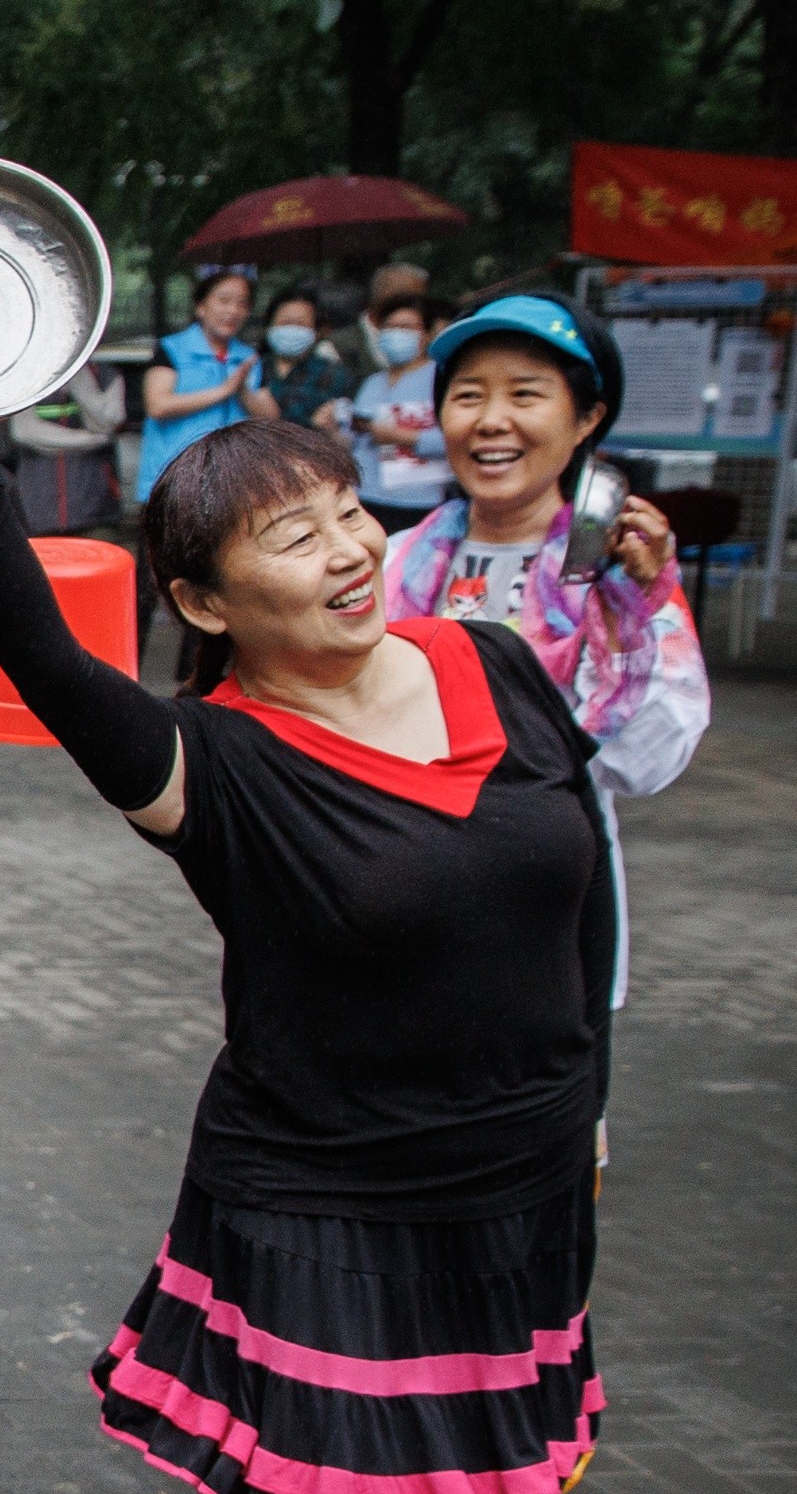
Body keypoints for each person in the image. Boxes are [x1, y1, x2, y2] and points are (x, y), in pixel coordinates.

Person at [0, 409, 609, 1494]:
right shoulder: (210, 759)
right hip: (324, 1195)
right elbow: (39, 652)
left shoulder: (492, 663)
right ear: (205, 601)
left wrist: (593, 1101)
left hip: (524, 1187)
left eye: (351, 510)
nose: (350, 549)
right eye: (294, 536)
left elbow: (584, 881)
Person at [383, 294, 707, 979]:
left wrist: (636, 607)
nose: (491, 420)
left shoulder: (623, 575)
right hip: (400, 898)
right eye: (468, 395)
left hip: (553, 922)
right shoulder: (392, 563)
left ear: (588, 417)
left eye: (525, 394)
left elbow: (647, 761)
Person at [138, 268, 274, 499]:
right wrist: (224, 390)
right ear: (201, 306)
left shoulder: (248, 357)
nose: (233, 310)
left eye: (242, 303)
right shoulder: (172, 348)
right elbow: (157, 406)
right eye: (224, 300)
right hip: (175, 477)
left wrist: (242, 391)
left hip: (233, 480)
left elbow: (271, 416)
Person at [343, 291, 447, 528]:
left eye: (406, 327)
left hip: (420, 502)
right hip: (365, 496)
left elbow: (455, 439)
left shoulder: (440, 379)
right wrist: (331, 428)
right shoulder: (372, 383)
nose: (396, 333)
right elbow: (352, 442)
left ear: (426, 335)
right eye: (389, 327)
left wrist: (401, 437)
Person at [255, 283, 354, 446]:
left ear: (317, 331)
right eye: (285, 322)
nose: (292, 329)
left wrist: (328, 428)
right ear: (269, 326)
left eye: (300, 324)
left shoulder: (335, 375)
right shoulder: (251, 369)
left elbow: (346, 438)